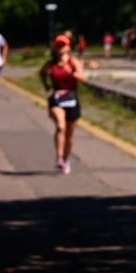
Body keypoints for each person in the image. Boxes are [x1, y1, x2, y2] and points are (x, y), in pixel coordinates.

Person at [39, 35, 87, 174]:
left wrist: (71, 72)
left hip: (71, 98)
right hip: (57, 98)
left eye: (63, 45)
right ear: (55, 47)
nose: (60, 48)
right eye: (58, 45)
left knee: (69, 135)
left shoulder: (73, 62)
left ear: (68, 47)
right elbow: (42, 73)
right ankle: (59, 158)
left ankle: (66, 159)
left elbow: (83, 78)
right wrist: (46, 85)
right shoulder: (50, 64)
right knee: (61, 126)